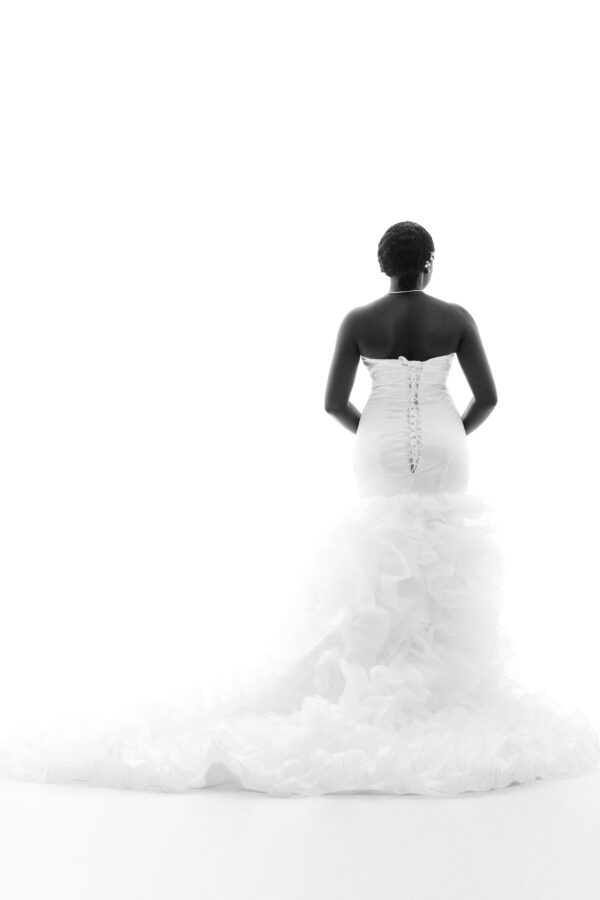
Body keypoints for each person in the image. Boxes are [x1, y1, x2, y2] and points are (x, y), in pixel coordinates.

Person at [0, 222, 598, 797]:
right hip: (447, 445)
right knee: (441, 555)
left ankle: (373, 674)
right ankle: (439, 691)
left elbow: (335, 402)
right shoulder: (457, 318)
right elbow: (488, 397)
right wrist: (453, 434)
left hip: (377, 443)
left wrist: (373, 433)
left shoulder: (359, 320)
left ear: (383, 266)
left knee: (381, 552)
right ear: (431, 262)